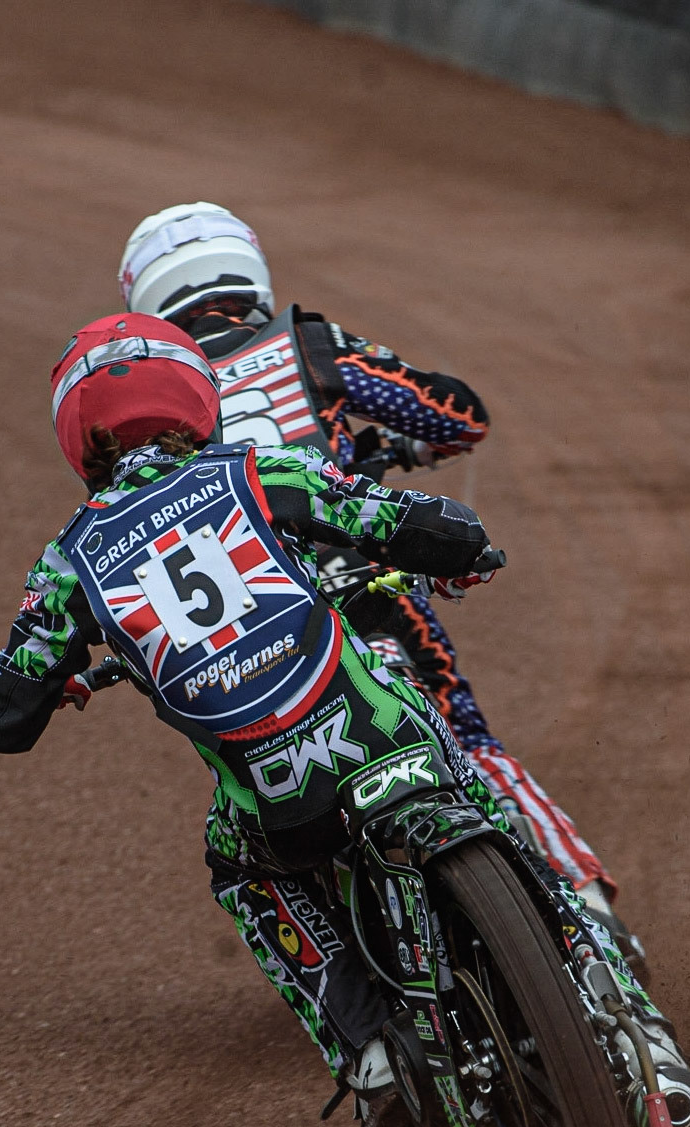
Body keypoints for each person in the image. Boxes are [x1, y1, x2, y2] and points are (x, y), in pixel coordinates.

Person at [0, 314, 690, 1127]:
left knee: (242, 875)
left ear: (77, 437)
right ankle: (632, 1023)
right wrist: (469, 549)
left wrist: (56, 678)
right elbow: (410, 519)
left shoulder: (67, 563)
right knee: (484, 795)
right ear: (194, 396)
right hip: (385, 732)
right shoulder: (257, 468)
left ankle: (369, 1054)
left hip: (280, 805)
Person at [115, 202, 640, 964]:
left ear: (145, 301)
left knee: (261, 809)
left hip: (253, 631)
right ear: (246, 269)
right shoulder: (305, 343)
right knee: (464, 739)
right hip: (367, 585)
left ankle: (366, 996)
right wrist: (379, 450)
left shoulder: (155, 407)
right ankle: (585, 903)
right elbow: (457, 415)